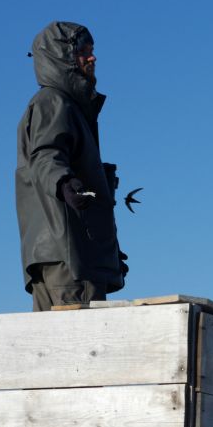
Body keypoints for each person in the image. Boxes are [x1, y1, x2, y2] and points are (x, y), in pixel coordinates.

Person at [15, 21, 128, 311]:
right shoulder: (53, 101)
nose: (93, 57)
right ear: (61, 56)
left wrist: (109, 251)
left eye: (92, 50)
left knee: (48, 348)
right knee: (76, 349)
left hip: (64, 252)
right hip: (70, 258)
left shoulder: (69, 107)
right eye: (83, 51)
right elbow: (45, 154)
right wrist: (64, 183)